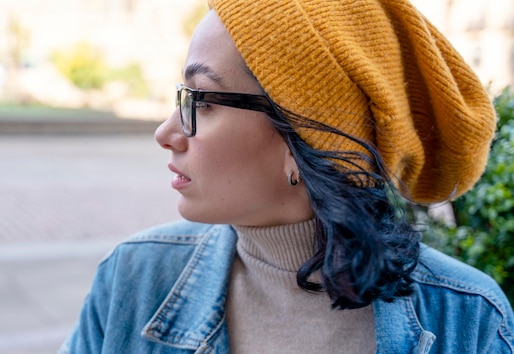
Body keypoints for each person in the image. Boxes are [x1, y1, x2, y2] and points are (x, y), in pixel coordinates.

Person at [60, 0, 514, 352]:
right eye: (183, 96)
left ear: (306, 141)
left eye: (203, 101)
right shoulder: (133, 279)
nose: (167, 133)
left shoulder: (466, 318)